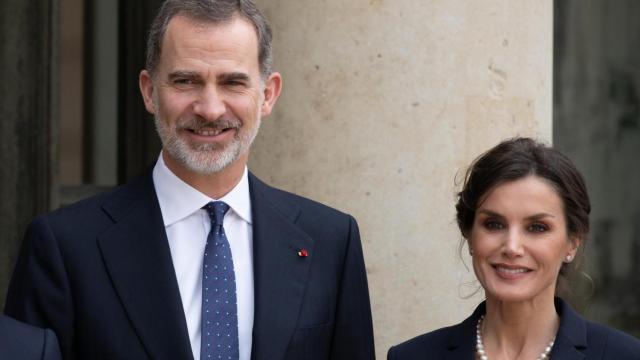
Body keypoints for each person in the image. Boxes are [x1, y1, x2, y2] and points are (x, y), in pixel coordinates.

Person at [4, 1, 374, 359]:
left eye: (232, 83)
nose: (210, 109)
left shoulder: (331, 242)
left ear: (268, 94)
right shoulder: (64, 248)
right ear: (150, 91)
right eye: (185, 81)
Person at [388, 138, 640, 359]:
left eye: (537, 227)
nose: (511, 247)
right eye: (494, 224)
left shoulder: (624, 355)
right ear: (469, 233)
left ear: (572, 242)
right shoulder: (411, 356)